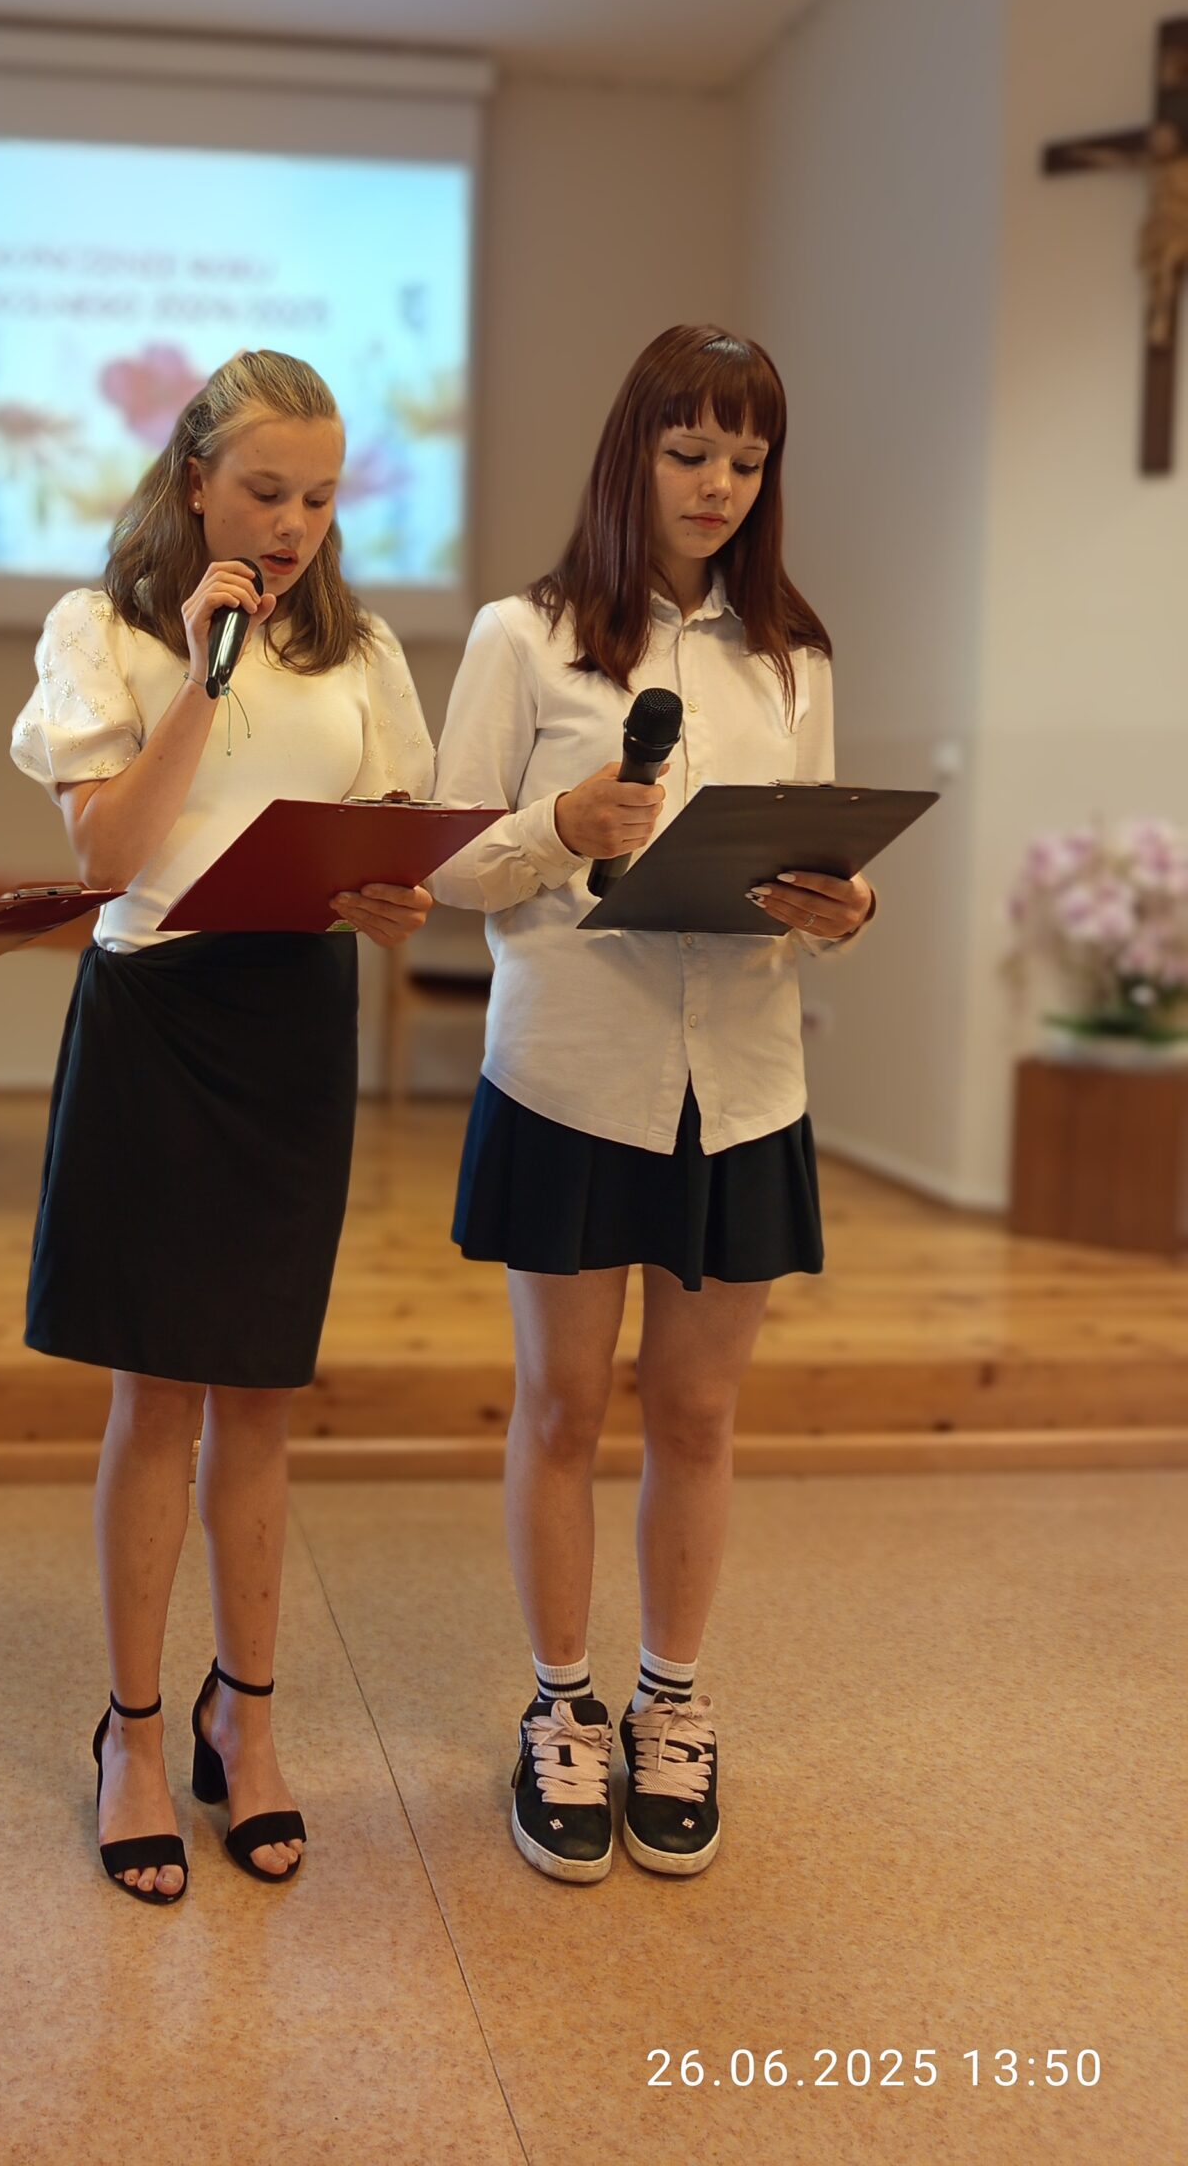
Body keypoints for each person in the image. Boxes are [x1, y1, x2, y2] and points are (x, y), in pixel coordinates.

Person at [430, 324, 874, 1886]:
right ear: (634, 454)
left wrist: (842, 905)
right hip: (572, 1069)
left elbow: (817, 847)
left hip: (740, 1081)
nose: (717, 486)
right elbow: (445, 863)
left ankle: (670, 1701)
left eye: (747, 461)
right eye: (690, 453)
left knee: (696, 1414)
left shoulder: (792, 656)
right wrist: (557, 824)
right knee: (564, 1406)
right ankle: (561, 1706)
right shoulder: (523, 637)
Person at [11, 349, 435, 1902]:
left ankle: (243, 1718)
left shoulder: (362, 647)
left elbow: (395, 842)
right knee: (157, 1398)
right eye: (264, 491)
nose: (294, 524)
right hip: (159, 1016)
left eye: (320, 496)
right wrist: (205, 670)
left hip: (293, 1018)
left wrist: (391, 895)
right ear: (193, 481)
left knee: (259, 1398)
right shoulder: (101, 629)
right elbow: (109, 858)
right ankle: (131, 1733)